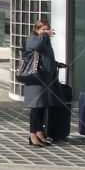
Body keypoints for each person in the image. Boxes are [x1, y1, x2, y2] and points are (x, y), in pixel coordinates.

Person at [22, 18, 60, 147]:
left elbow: (47, 59)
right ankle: (32, 134)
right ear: (36, 30)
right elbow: (34, 47)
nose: (46, 32)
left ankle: (39, 133)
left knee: (43, 107)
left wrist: (56, 65)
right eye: (43, 29)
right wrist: (44, 35)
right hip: (35, 79)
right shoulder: (33, 38)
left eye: (47, 29)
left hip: (46, 79)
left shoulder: (46, 43)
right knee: (36, 107)